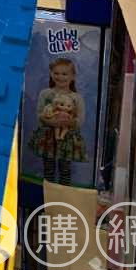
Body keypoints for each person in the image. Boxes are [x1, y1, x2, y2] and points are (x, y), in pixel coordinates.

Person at [28, 57, 86, 185]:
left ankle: (62, 194)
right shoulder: (45, 94)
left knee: (65, 169)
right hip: (48, 138)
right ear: (51, 74)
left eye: (64, 74)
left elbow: (80, 120)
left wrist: (67, 123)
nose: (60, 77)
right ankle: (48, 194)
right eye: (56, 73)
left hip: (67, 139)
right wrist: (52, 122)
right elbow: (40, 115)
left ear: (73, 76)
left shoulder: (77, 98)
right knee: (48, 168)